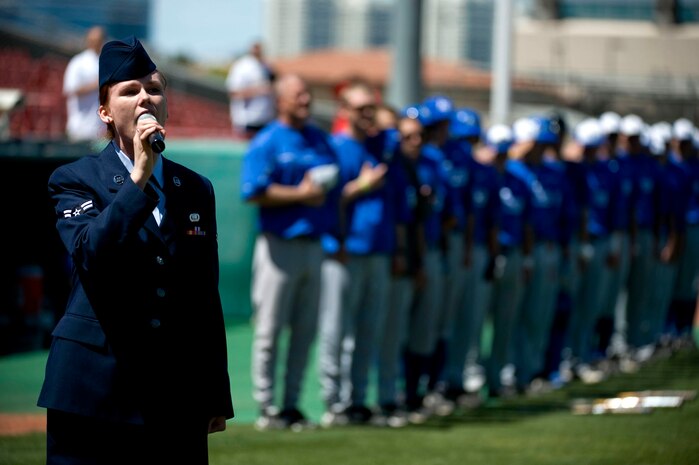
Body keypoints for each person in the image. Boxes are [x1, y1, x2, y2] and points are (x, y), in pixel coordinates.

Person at [38, 36, 234, 465]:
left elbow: (204, 294)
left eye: (155, 88)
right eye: (129, 90)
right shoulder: (73, 179)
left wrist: (216, 391)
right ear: (105, 112)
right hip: (93, 390)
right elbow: (91, 253)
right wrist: (139, 179)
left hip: (175, 394)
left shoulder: (196, 188)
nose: (146, 96)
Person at [242, 73, 340, 431]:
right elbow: (252, 191)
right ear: (280, 100)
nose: (305, 101)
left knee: (304, 331)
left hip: (314, 244)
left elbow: (332, 182)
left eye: (307, 94)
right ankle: (266, 407)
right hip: (278, 245)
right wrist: (300, 194)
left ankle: (292, 405)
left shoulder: (318, 138)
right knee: (269, 330)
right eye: (298, 95)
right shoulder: (267, 140)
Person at [63, 26, 107, 142]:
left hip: (101, 129)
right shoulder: (78, 62)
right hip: (81, 129)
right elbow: (72, 89)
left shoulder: (105, 61)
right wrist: (98, 83)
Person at [226, 41, 276, 139]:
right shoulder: (242, 66)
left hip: (266, 120)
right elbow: (233, 93)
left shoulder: (265, 66)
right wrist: (259, 90)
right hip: (247, 121)